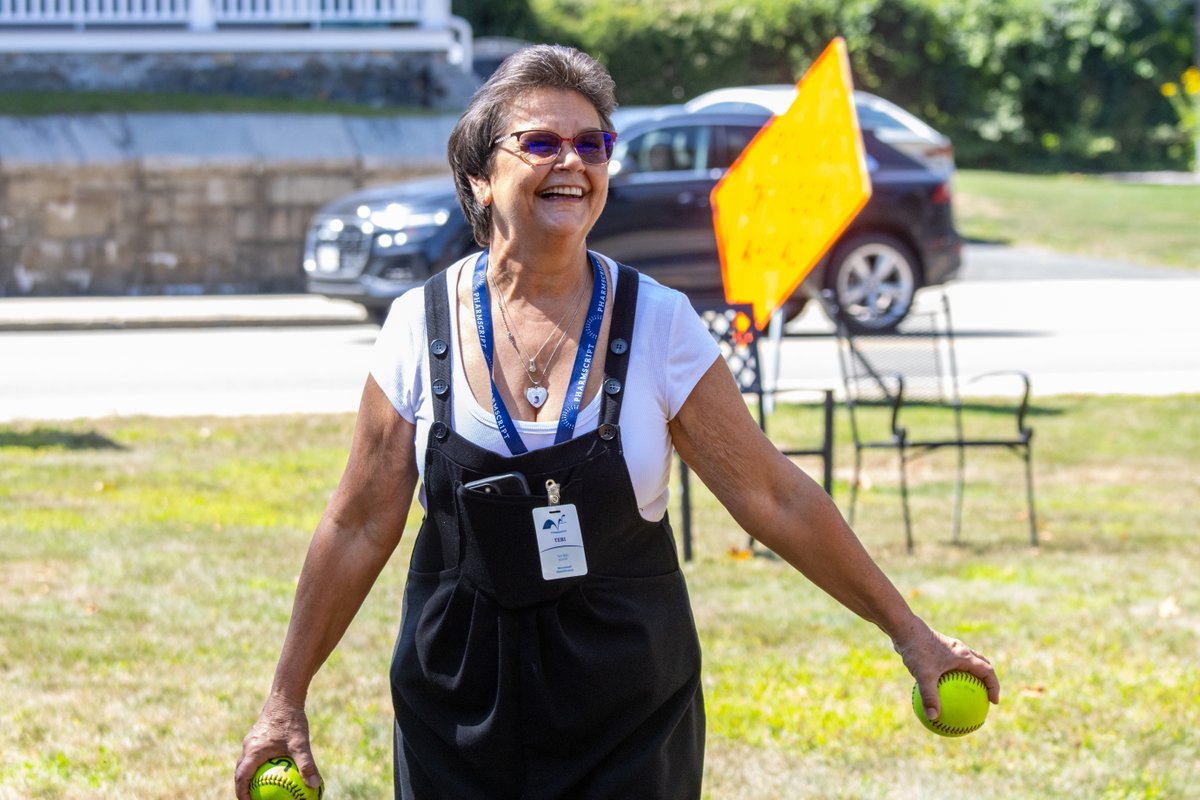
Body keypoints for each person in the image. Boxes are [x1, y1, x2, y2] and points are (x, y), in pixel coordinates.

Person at [235, 44, 999, 800]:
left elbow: (776, 498)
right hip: (457, 708)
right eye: (541, 142)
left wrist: (911, 633)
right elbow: (361, 522)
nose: (573, 162)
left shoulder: (661, 324)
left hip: (627, 713)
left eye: (592, 144)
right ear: (479, 173)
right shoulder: (415, 324)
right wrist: (285, 698)